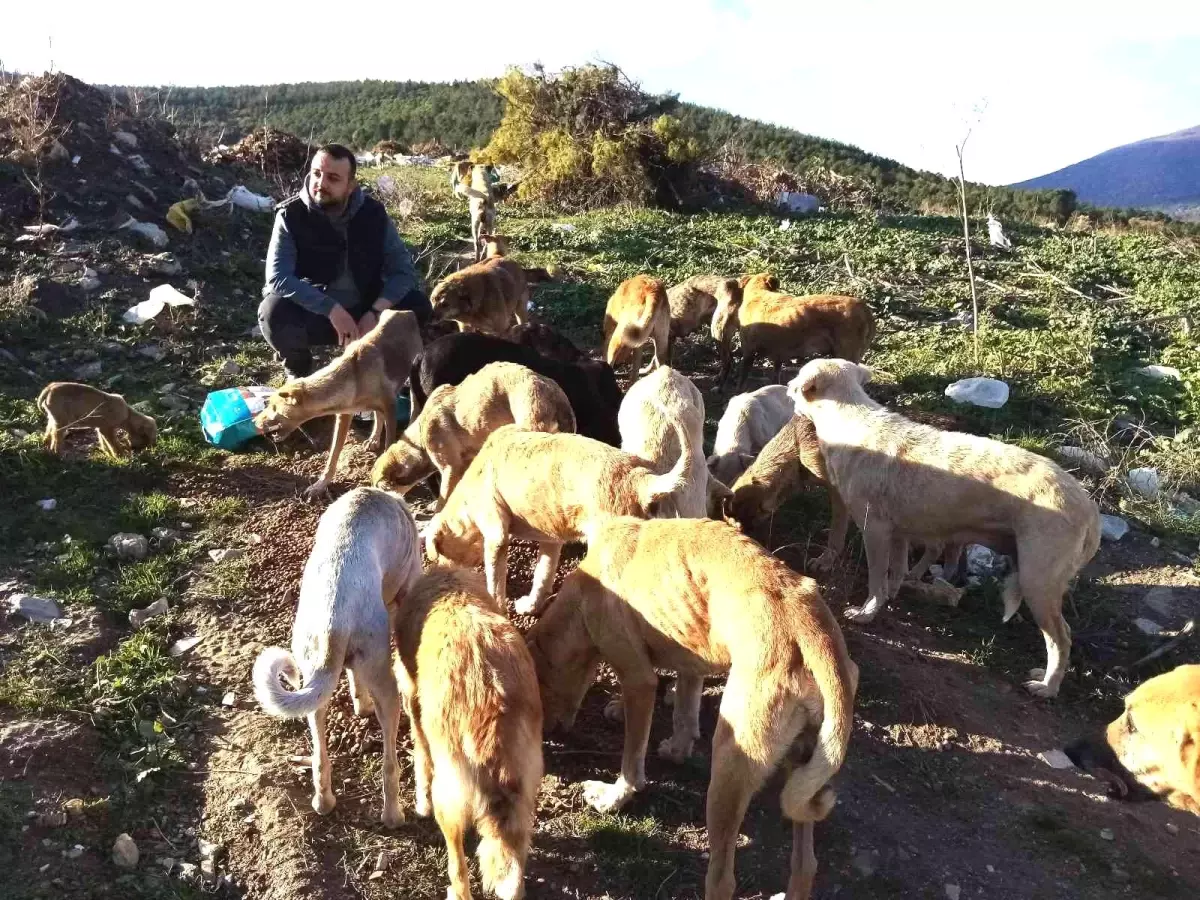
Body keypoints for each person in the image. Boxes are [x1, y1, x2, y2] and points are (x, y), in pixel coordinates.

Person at [259, 143, 432, 379]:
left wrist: (375, 311)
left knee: (418, 306)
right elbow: (278, 278)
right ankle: (298, 369)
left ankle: (392, 365)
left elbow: (403, 270)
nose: (321, 184)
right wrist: (331, 309)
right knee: (273, 313)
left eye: (333, 178)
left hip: (366, 308)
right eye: (317, 174)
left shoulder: (373, 214)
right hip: (318, 313)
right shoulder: (291, 216)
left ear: (350, 186)